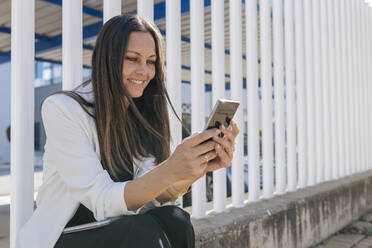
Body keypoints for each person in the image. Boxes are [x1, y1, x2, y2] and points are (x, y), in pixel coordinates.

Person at [18, 14, 239, 248]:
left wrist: (190, 171)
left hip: (121, 231)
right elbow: (102, 201)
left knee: (176, 220)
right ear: (108, 59)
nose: (144, 71)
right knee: (137, 230)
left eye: (151, 61)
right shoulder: (63, 109)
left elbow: (150, 197)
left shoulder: (140, 113)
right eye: (132, 58)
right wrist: (170, 168)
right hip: (67, 237)